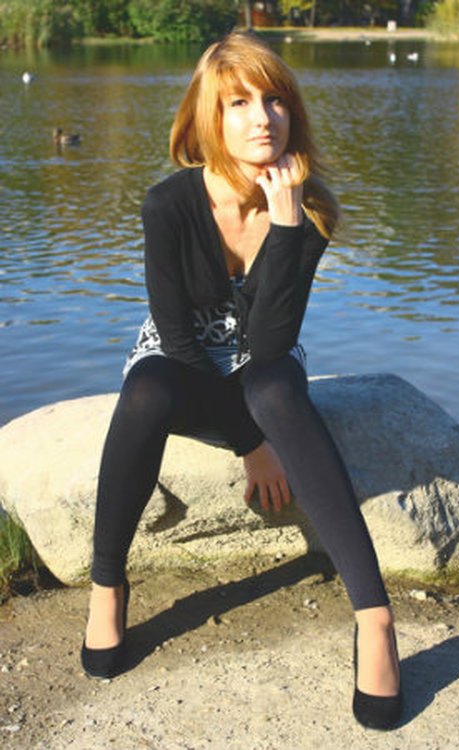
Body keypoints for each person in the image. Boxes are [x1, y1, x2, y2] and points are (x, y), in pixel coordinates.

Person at [81, 31, 402, 730]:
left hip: (263, 360)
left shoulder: (309, 210)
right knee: (146, 391)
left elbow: (271, 344)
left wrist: (285, 227)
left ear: (293, 112)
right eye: (240, 102)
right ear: (211, 118)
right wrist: (251, 445)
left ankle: (375, 618)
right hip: (182, 360)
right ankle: (107, 584)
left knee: (275, 389)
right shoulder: (168, 206)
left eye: (276, 99)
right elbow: (176, 339)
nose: (263, 118)